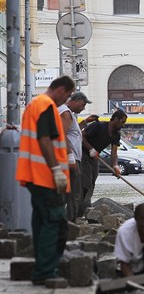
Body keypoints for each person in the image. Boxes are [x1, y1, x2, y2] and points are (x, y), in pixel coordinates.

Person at [16, 75, 75, 285]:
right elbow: (44, 139)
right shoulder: (46, 105)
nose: (65, 100)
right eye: (67, 96)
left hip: (35, 176)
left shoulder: (35, 104)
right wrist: (56, 170)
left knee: (42, 222)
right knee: (55, 223)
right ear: (61, 89)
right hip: (46, 178)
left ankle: (42, 269)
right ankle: (46, 272)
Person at [58, 92, 98, 222]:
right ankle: (69, 223)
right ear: (76, 100)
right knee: (74, 193)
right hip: (71, 158)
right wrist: (70, 157)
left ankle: (66, 220)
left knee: (69, 191)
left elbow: (74, 132)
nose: (84, 107)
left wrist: (85, 122)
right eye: (83, 104)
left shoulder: (69, 113)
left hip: (70, 158)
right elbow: (62, 135)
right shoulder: (65, 112)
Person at [80, 109, 128, 216]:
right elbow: (81, 136)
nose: (123, 125)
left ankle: (85, 208)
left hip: (94, 157)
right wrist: (91, 149)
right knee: (85, 182)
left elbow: (114, 152)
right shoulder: (98, 126)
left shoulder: (116, 134)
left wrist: (115, 165)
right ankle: (81, 209)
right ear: (115, 119)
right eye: (122, 122)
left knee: (92, 181)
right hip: (83, 154)